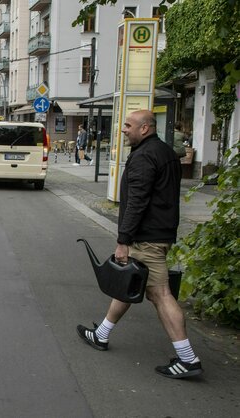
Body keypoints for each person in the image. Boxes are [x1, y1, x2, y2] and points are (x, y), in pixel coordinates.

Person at [76, 110, 202, 379]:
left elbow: (137, 201)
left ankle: (188, 359)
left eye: (128, 125)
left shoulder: (144, 156)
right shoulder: (166, 152)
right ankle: (102, 334)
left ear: (145, 128)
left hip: (147, 237)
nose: (123, 129)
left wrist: (124, 240)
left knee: (160, 295)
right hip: (160, 233)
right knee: (128, 284)